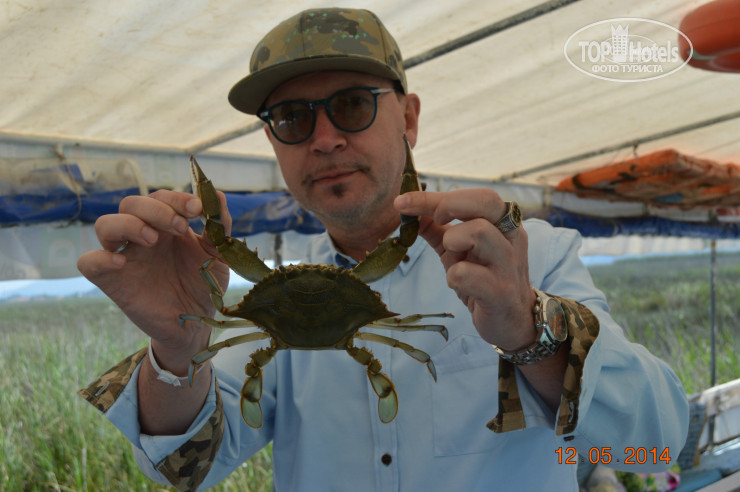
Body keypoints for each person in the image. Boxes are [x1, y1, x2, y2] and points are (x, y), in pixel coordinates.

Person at [77, 7, 688, 492]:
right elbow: (185, 467)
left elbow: (655, 442)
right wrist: (177, 350)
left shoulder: (531, 257)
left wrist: (530, 329)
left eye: (351, 105)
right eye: (291, 118)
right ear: (273, 142)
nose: (323, 139)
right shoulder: (276, 297)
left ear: (409, 118)